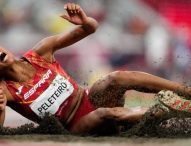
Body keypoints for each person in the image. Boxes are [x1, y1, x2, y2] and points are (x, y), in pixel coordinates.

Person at [0, 3, 191, 135]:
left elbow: (91, 28)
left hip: (88, 97)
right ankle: (168, 111)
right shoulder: (5, 91)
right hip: (75, 125)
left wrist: (84, 21)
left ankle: (185, 92)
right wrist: (1, 109)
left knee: (116, 77)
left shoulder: (40, 53)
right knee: (106, 113)